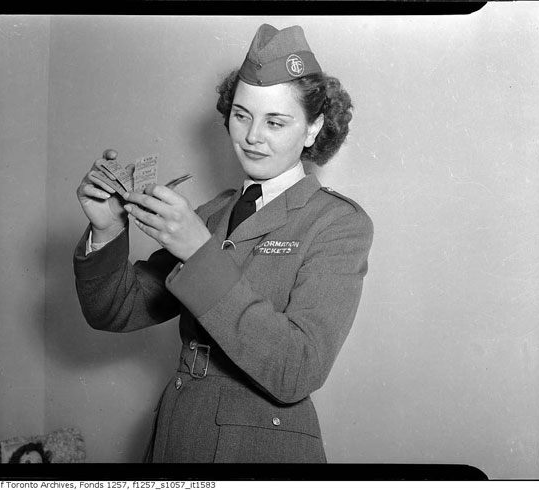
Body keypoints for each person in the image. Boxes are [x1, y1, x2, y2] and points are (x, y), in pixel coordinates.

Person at [74, 23, 374, 463]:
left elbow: (298, 369)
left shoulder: (335, 222)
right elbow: (115, 311)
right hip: (180, 438)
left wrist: (200, 254)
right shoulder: (213, 213)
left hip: (261, 451)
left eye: (276, 121)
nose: (252, 136)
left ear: (313, 129)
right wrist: (107, 229)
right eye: (240, 114)